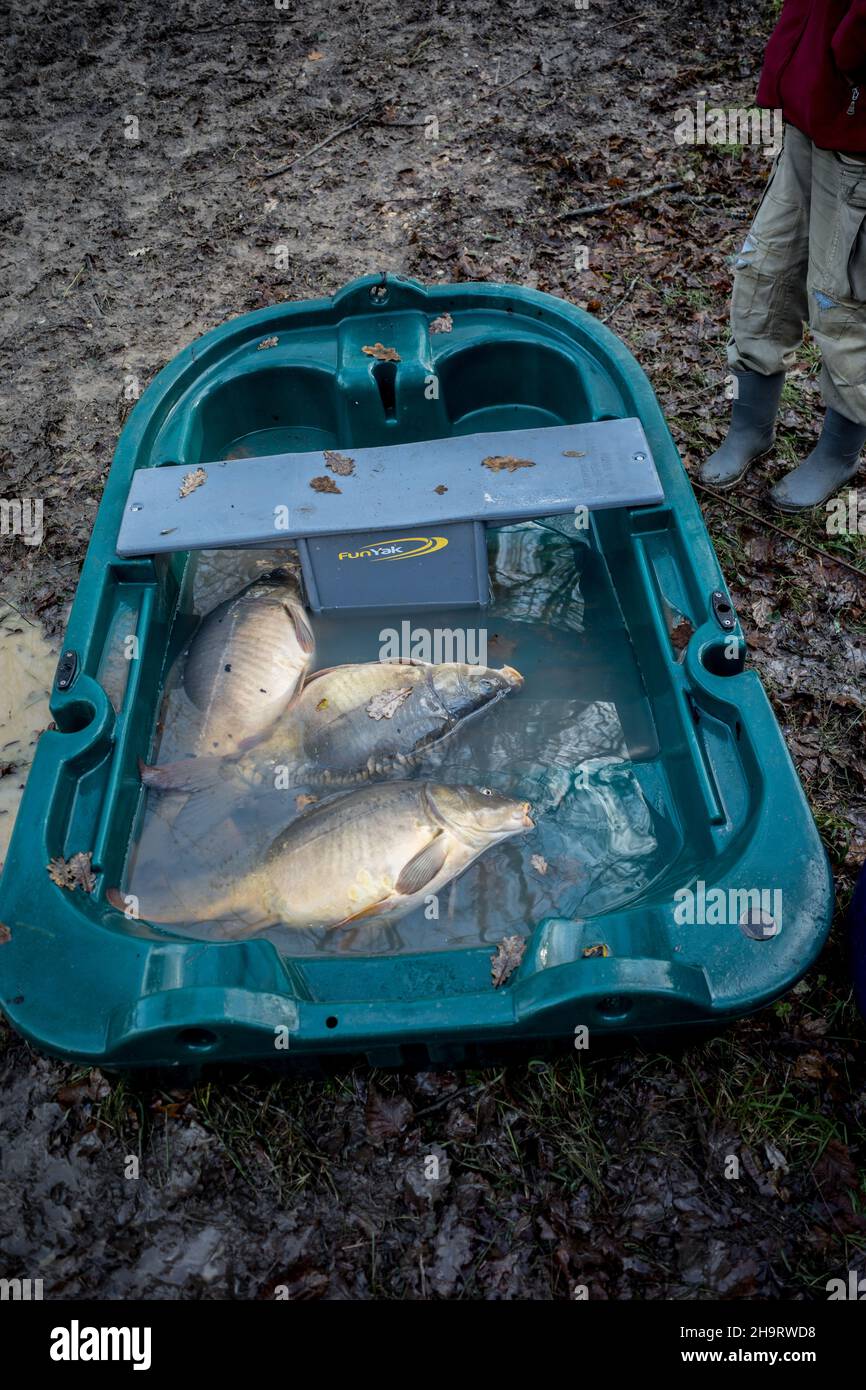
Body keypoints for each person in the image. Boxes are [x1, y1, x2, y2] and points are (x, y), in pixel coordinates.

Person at [702, 0, 866, 510]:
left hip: (860, 139)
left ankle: (839, 453)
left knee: (842, 308)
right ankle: (751, 427)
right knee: (765, 272)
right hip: (811, 116)